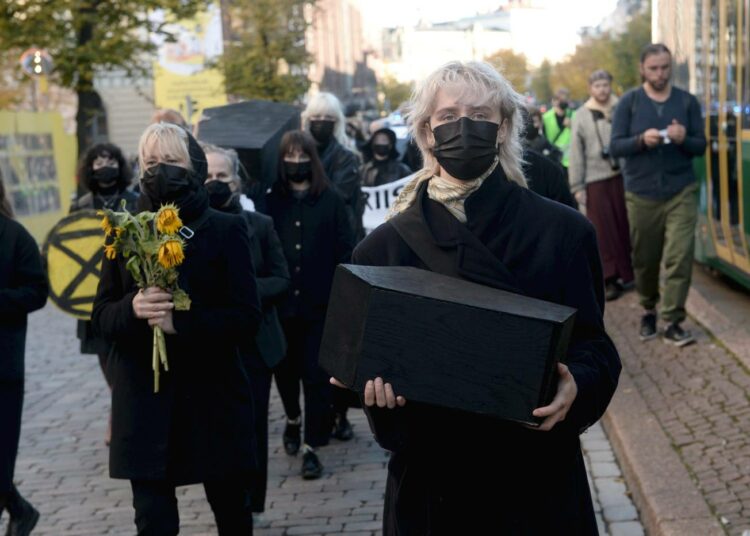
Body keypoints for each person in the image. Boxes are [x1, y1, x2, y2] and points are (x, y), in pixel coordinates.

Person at [332, 60, 621, 534]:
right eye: (447, 117)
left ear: (504, 127)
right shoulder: (381, 249)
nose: (463, 127)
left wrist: (579, 386)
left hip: (535, 480)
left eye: (480, 115)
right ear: (426, 132)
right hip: (433, 487)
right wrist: (372, 396)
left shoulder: (563, 232)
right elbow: (359, 368)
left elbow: (595, 346)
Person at [92, 123, 261, 535]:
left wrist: (180, 321)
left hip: (211, 397)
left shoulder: (225, 229)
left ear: (194, 167)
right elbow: (100, 316)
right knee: (152, 518)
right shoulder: (125, 229)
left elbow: (245, 317)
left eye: (171, 161)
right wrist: (133, 309)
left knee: (231, 511)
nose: (159, 171)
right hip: (144, 401)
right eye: (151, 162)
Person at [201, 142, 290, 526]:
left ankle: (252, 500)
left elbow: (281, 278)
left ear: (237, 181)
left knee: (252, 425)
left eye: (222, 176)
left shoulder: (260, 225)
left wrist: (245, 290)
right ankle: (226, 500)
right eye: (207, 177)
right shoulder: (191, 229)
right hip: (210, 343)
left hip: (255, 342)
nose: (215, 182)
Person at [266, 130, 354, 480]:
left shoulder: (330, 200)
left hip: (320, 308)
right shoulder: (270, 200)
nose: (296, 162)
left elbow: (345, 250)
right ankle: (292, 418)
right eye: (290, 156)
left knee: (316, 378)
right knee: (285, 373)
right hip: (282, 306)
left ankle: (311, 446)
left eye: (303, 155)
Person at [610, 43, 706, 346]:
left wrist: (683, 138)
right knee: (646, 259)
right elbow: (615, 147)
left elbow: (700, 146)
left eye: (665, 67)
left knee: (679, 256)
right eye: (654, 68)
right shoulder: (629, 103)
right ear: (643, 69)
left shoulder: (687, 102)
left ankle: (673, 320)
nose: (660, 73)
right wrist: (640, 140)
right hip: (642, 192)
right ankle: (649, 308)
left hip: (681, 189)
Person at [70, 143, 139, 444]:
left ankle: (119, 416)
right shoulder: (80, 205)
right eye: (97, 160)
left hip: (124, 290)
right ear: (89, 167)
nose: (103, 165)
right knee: (104, 358)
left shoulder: (134, 201)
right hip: (90, 293)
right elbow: (69, 249)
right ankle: (118, 409)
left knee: (125, 356)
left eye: (109, 159)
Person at [0, 171, 48, 536]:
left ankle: (18, 510)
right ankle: (19, 508)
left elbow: (36, 291)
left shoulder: (14, 237)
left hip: (2, 369)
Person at [569, 70, 634, 301]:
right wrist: (577, 185)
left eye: (605, 84)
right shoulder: (581, 115)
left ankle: (628, 272)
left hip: (623, 176)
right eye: (597, 86)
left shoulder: (622, 109)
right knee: (602, 232)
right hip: (595, 180)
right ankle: (610, 278)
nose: (602, 90)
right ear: (590, 89)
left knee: (624, 226)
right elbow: (576, 152)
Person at [302, 92, 364, 241]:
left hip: (336, 236)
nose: (322, 122)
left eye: (328, 118)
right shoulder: (298, 153)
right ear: (308, 119)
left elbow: (338, 197)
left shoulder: (346, 157)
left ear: (336, 122)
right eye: (317, 117)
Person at [542, 88, 576, 170]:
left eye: (565, 99)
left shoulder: (575, 115)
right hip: (555, 160)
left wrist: (573, 126)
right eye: (560, 99)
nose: (563, 102)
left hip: (572, 161)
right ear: (553, 101)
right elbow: (543, 139)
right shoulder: (545, 118)